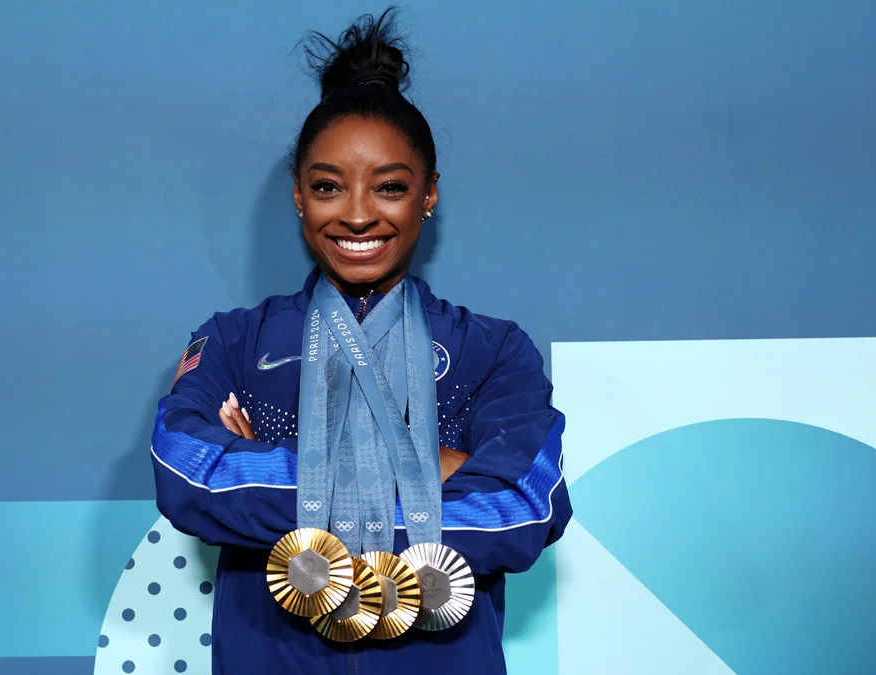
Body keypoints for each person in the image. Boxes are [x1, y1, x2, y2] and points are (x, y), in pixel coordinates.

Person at [151, 9, 571, 674]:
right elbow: (183, 472)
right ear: (298, 196)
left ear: (428, 195)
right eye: (327, 186)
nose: (355, 213)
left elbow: (522, 508)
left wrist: (270, 459)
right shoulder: (233, 340)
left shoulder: (493, 350)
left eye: (390, 187)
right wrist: (438, 467)